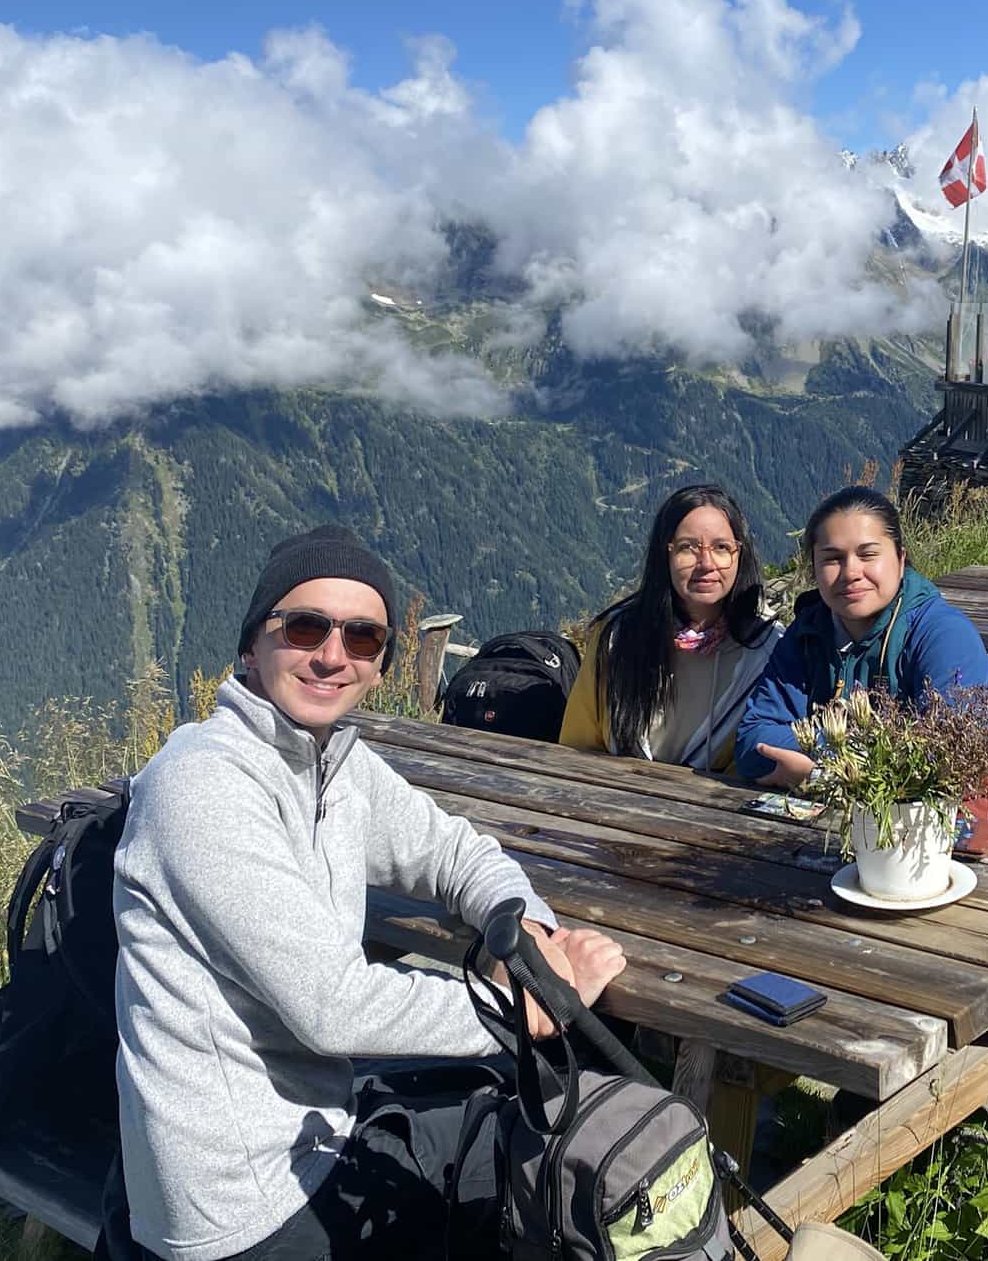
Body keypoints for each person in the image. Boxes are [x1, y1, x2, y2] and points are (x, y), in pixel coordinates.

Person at [112, 525, 626, 1261]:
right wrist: (533, 1011)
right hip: (238, 1201)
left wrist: (526, 933)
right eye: (305, 627)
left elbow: (455, 852)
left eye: (362, 638)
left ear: (382, 665)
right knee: (567, 1154)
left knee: (534, 1115)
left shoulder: (331, 762)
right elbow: (335, 1009)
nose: (332, 654)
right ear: (252, 644)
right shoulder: (204, 785)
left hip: (313, 1122)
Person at [734, 486, 988, 789]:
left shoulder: (943, 636)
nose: (851, 572)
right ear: (814, 568)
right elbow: (751, 744)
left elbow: (950, 755)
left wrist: (820, 770)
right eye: (832, 558)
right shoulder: (807, 633)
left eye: (868, 554)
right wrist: (854, 747)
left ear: (900, 558)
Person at [560, 485, 781, 773]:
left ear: (740, 555)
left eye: (722, 548)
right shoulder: (618, 637)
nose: (706, 563)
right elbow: (578, 746)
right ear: (665, 554)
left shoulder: (766, 650)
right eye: (687, 548)